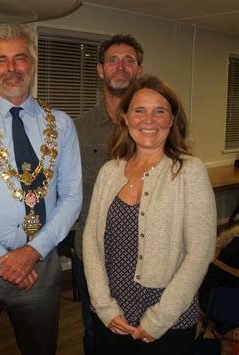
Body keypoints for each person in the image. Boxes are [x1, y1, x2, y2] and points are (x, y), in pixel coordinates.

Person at [0, 23, 82, 355]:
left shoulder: (61, 124)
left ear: (32, 65)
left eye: (19, 58)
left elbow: (73, 195)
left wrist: (31, 253)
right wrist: (1, 259)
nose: (11, 69)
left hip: (38, 270)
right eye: (1, 61)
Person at [82, 75, 216, 355]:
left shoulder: (189, 171)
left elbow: (200, 253)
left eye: (160, 111)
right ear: (126, 117)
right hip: (112, 315)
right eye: (139, 110)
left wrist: (159, 319)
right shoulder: (110, 172)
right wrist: (105, 307)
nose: (149, 120)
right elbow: (91, 243)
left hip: (168, 318)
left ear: (172, 120)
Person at [73, 34, 144, 355]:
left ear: (139, 70)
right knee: (96, 332)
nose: (121, 67)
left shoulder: (154, 125)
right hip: (94, 254)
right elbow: (67, 190)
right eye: (113, 60)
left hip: (146, 252)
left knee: (142, 330)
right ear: (100, 70)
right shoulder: (78, 129)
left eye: (129, 60)